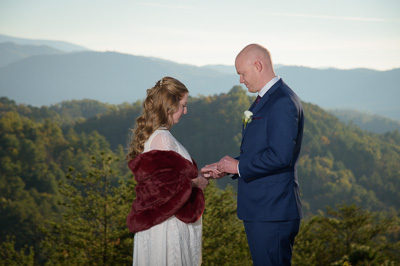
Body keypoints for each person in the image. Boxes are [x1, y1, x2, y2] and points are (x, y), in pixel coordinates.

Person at [202, 44, 304, 265]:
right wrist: (226, 167)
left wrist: (238, 167)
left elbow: (280, 156)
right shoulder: (265, 100)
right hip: (264, 211)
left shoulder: (282, 102)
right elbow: (262, 151)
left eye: (242, 73)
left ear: (258, 66)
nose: (240, 80)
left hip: (272, 211)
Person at [126, 76, 210, 266]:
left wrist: (199, 175)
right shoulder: (162, 138)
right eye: (183, 105)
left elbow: (169, 178)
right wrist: (197, 182)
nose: (185, 111)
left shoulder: (159, 136)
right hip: (167, 228)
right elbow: (164, 189)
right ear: (169, 106)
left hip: (165, 223)